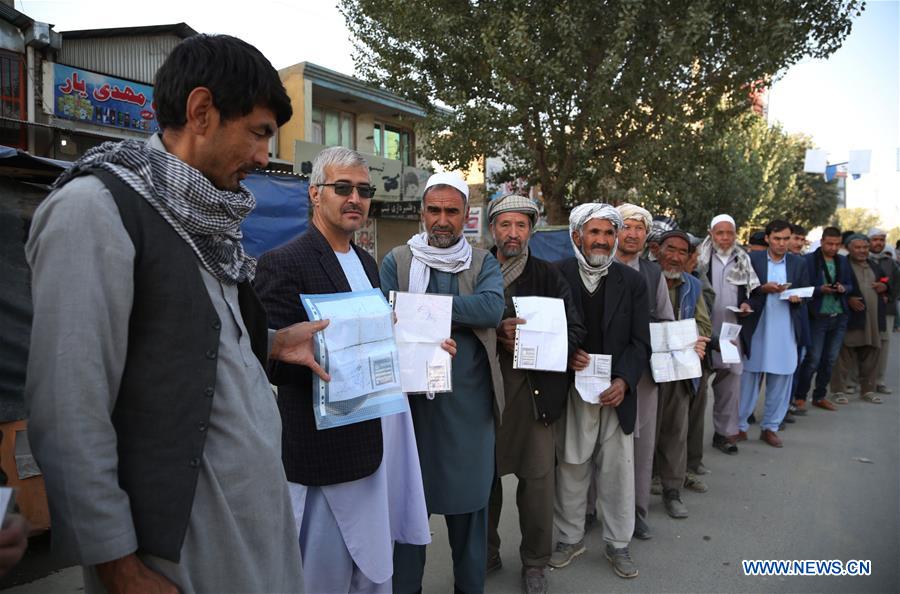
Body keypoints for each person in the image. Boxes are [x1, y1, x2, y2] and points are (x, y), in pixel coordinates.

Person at [25, 35, 316, 593]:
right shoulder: (96, 210)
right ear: (202, 112)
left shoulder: (204, 218)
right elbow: (68, 405)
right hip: (183, 550)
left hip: (254, 538)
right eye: (258, 133)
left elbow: (195, 338)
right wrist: (120, 568)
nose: (263, 157)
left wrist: (273, 342)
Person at [254, 147, 438, 593]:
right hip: (322, 453)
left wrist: (421, 346)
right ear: (316, 194)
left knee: (371, 572)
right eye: (343, 188)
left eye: (363, 190)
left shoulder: (368, 263)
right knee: (322, 576)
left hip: (374, 443)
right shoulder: (285, 262)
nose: (355, 198)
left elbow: (378, 343)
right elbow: (273, 362)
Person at [381, 172, 505, 594]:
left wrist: (423, 312)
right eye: (434, 210)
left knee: (470, 512)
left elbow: (491, 308)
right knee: (406, 513)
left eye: (452, 211)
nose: (442, 220)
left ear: (466, 216)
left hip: (468, 412)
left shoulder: (482, 260)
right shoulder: (397, 261)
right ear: (422, 213)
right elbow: (385, 316)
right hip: (410, 412)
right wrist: (439, 317)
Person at [485, 195, 584, 594]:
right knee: (483, 482)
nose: (513, 233)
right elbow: (455, 325)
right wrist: (496, 334)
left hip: (536, 394)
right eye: (505, 225)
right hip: (486, 395)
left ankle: (535, 562)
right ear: (492, 229)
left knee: (538, 485)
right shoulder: (477, 270)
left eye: (521, 225)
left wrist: (531, 337)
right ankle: (485, 551)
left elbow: (576, 330)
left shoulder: (549, 275)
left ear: (531, 230)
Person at [550, 204, 650, 579]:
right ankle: (570, 537)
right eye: (595, 233)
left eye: (609, 233)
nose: (603, 241)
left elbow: (641, 342)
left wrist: (623, 381)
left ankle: (618, 544)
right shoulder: (556, 275)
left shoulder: (632, 282)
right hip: (572, 391)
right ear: (577, 236)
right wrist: (565, 354)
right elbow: (546, 331)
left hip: (615, 393)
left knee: (617, 472)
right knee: (571, 467)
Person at [613, 203, 674, 541]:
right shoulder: (598, 265)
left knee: (641, 444)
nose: (633, 233)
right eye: (626, 226)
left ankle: (636, 513)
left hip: (645, 375)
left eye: (639, 228)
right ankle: (592, 509)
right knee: (600, 443)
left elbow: (665, 320)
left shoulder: (653, 274)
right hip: (605, 371)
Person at [654, 231, 712, 519]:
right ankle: (642, 487)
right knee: (644, 431)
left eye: (682, 252)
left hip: (679, 369)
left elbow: (704, 325)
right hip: (646, 368)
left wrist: (696, 339)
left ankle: (672, 490)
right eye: (670, 250)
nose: (675, 257)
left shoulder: (692, 285)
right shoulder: (646, 279)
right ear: (657, 251)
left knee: (675, 430)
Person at [737, 220, 810, 448]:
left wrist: (798, 297)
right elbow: (742, 288)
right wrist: (761, 290)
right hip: (758, 326)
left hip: (785, 326)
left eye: (786, 239)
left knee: (781, 377)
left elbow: (806, 291)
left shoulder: (798, 263)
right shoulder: (753, 259)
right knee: (748, 376)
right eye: (777, 239)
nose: (781, 243)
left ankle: (770, 427)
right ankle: (739, 426)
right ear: (767, 238)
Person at [694, 214, 756, 455]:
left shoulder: (743, 258)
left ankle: (724, 434)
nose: (725, 237)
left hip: (731, 334)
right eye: (720, 233)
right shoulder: (699, 257)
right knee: (697, 389)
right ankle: (690, 444)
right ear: (711, 233)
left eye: (729, 233)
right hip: (703, 333)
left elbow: (753, 292)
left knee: (730, 385)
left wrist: (747, 306)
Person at [793, 227, 855, 412]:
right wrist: (821, 289)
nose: (833, 247)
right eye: (830, 243)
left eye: (837, 244)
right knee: (813, 359)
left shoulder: (843, 261)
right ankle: (800, 396)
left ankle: (819, 396)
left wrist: (844, 288)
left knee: (830, 360)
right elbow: (803, 287)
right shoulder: (809, 260)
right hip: (817, 317)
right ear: (821, 242)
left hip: (839, 316)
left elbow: (851, 285)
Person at [830, 234, 886, 404]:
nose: (862, 251)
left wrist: (885, 286)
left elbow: (888, 284)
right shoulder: (841, 265)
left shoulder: (875, 266)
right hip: (851, 318)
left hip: (874, 320)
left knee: (871, 355)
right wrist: (848, 299)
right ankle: (838, 391)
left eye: (865, 248)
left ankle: (867, 390)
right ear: (848, 248)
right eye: (858, 248)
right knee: (843, 355)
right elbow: (833, 287)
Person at [867, 228, 899, 394]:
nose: (878, 243)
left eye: (881, 240)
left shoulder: (890, 262)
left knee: (883, 346)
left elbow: (896, 286)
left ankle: (879, 381)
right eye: (875, 239)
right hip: (864, 310)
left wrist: (886, 289)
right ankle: (855, 382)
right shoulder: (861, 259)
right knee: (861, 344)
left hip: (886, 310)